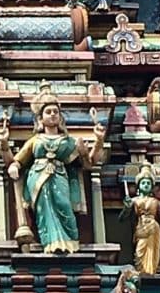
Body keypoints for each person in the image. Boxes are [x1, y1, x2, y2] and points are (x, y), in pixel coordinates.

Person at [7, 91, 103, 254]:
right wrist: (14, 165)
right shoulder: (35, 140)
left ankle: (69, 242)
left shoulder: (68, 141)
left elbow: (87, 164)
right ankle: (49, 243)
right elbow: (19, 159)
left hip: (60, 176)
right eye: (48, 112)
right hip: (38, 177)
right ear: (40, 118)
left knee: (64, 205)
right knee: (43, 211)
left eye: (55, 112)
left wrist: (99, 141)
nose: (52, 115)